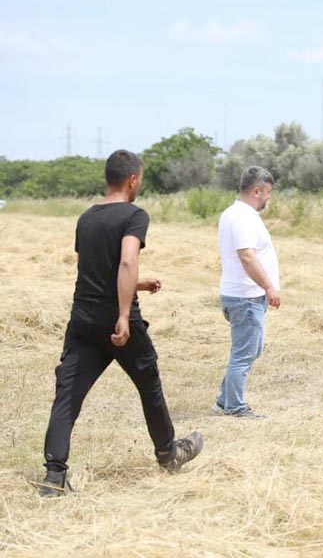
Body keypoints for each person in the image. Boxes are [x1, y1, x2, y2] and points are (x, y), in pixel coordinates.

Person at [38, 150, 203, 498]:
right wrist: (125, 315)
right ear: (132, 180)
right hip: (116, 321)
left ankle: (54, 477)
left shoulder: (86, 218)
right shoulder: (134, 215)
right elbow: (127, 261)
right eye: (140, 178)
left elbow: (97, 269)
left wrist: (140, 284)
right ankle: (168, 452)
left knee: (67, 395)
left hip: (83, 319)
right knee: (149, 382)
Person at [213, 166, 280, 418]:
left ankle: (224, 399)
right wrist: (268, 287)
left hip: (242, 295)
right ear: (257, 190)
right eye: (268, 193)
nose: (269, 198)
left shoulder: (234, 213)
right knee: (244, 354)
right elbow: (247, 256)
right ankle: (235, 407)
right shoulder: (243, 217)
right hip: (246, 297)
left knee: (251, 349)